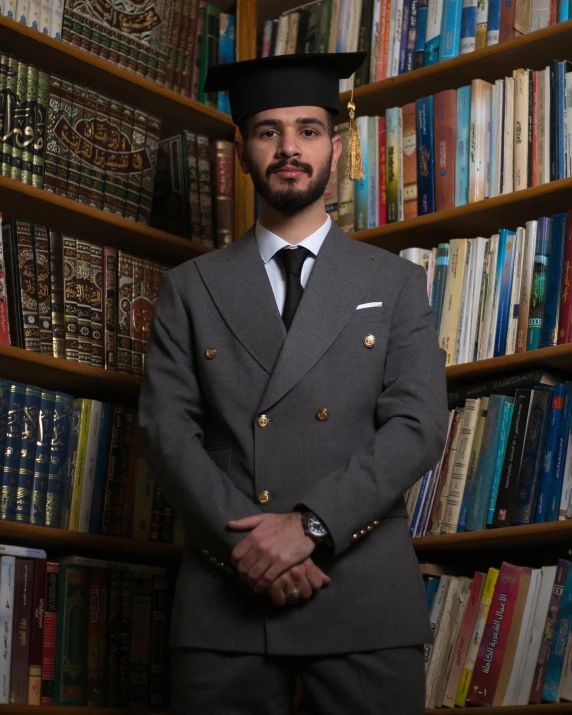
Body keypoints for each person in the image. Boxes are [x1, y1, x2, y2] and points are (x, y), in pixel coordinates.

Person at [138, 51, 449, 715]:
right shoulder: (189, 289)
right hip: (228, 597)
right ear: (241, 149)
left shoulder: (394, 283)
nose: (289, 148)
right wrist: (249, 547)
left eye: (308, 130)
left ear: (336, 148)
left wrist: (309, 526)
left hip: (364, 594)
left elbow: (417, 426)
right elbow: (168, 432)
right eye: (268, 131)